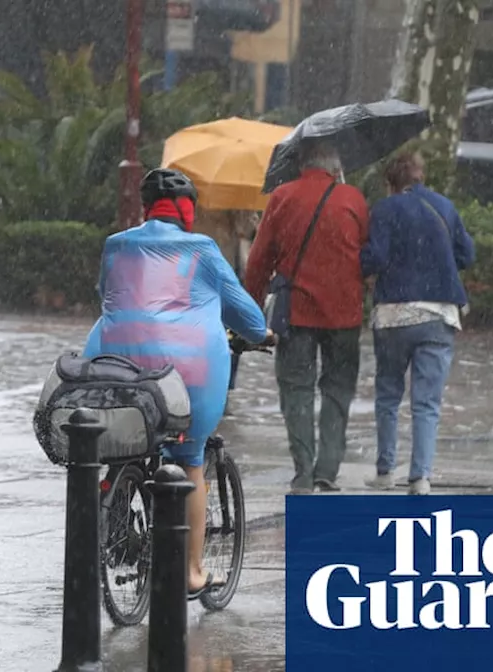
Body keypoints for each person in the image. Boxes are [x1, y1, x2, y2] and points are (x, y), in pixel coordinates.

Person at [83, 168, 269, 597]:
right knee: (189, 459)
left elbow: (109, 297)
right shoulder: (202, 250)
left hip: (118, 372)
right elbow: (250, 320)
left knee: (128, 444)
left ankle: (117, 506)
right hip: (186, 380)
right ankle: (190, 571)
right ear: (188, 211)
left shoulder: (116, 246)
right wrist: (263, 335)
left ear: (146, 206)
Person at [245, 142, 370, 494]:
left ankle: (302, 471)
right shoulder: (354, 199)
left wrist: (251, 311)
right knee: (337, 390)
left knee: (296, 391)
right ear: (334, 166)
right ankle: (327, 469)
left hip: (296, 313)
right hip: (344, 314)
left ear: (301, 164)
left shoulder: (282, 196)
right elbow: (366, 252)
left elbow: (258, 261)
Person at [360, 152, 475, 495]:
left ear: (390, 182)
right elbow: (467, 255)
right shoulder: (444, 206)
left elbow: (376, 257)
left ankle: (385, 471)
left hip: (394, 314)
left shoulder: (384, 209)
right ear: (421, 176)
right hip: (438, 315)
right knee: (427, 402)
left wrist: (361, 265)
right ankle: (420, 477)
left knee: (388, 395)